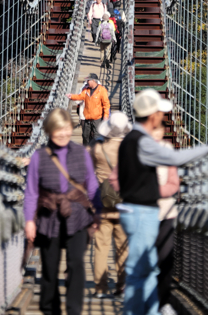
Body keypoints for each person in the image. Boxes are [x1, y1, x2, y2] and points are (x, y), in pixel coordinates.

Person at [116, 89, 208, 315]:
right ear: (152, 115)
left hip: (138, 211)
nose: (162, 116)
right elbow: (174, 158)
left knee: (149, 269)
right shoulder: (141, 141)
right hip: (141, 213)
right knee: (139, 270)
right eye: (160, 112)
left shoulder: (130, 140)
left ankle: (152, 311)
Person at [24, 108, 101, 315]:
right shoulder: (39, 157)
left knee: (76, 264)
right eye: (59, 129)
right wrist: (29, 221)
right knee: (50, 268)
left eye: (67, 129)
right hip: (49, 218)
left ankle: (74, 310)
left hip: (78, 216)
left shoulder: (81, 154)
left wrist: (98, 212)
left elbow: (92, 185)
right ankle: (51, 310)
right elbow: (31, 193)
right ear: (49, 130)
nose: (64, 133)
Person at [91, 112, 131, 298]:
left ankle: (100, 288)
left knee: (101, 247)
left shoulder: (97, 148)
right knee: (123, 248)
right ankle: (122, 287)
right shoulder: (131, 149)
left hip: (102, 204)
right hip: (125, 206)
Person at [149, 125, 181, 309]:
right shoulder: (134, 149)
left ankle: (163, 301)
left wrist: (152, 191)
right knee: (146, 258)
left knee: (166, 256)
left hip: (166, 211)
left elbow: (174, 182)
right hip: (143, 211)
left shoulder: (167, 151)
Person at [67, 74, 110, 144]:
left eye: (88, 80)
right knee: (85, 135)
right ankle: (86, 150)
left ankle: (96, 151)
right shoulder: (86, 90)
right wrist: (71, 96)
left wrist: (105, 117)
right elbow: (80, 96)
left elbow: (106, 105)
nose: (87, 82)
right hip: (87, 118)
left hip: (97, 118)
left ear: (93, 81)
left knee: (96, 136)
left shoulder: (102, 90)